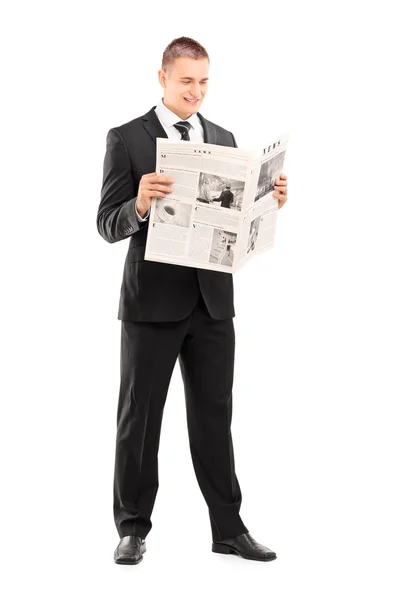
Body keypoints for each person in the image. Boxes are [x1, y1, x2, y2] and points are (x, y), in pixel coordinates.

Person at [97, 36, 288, 566]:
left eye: (204, 82)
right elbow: (105, 223)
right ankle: (132, 529)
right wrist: (137, 203)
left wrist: (268, 200)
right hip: (151, 305)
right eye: (186, 81)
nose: (196, 92)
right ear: (162, 78)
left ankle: (229, 528)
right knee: (140, 419)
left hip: (212, 304)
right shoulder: (127, 138)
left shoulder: (223, 136)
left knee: (214, 417)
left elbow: (235, 215)